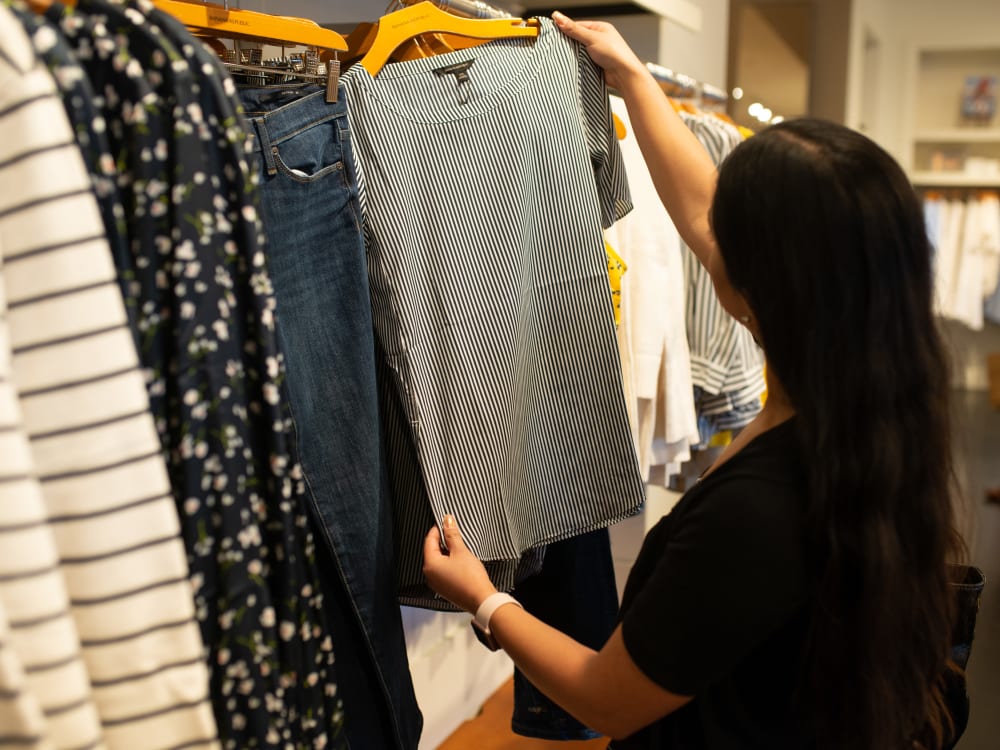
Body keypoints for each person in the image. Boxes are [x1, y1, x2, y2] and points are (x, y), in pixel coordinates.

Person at [423, 11, 964, 750]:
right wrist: (637, 81)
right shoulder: (870, 413)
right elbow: (705, 213)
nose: (712, 244)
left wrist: (484, 600)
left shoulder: (760, 515)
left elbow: (605, 699)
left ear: (766, 282)